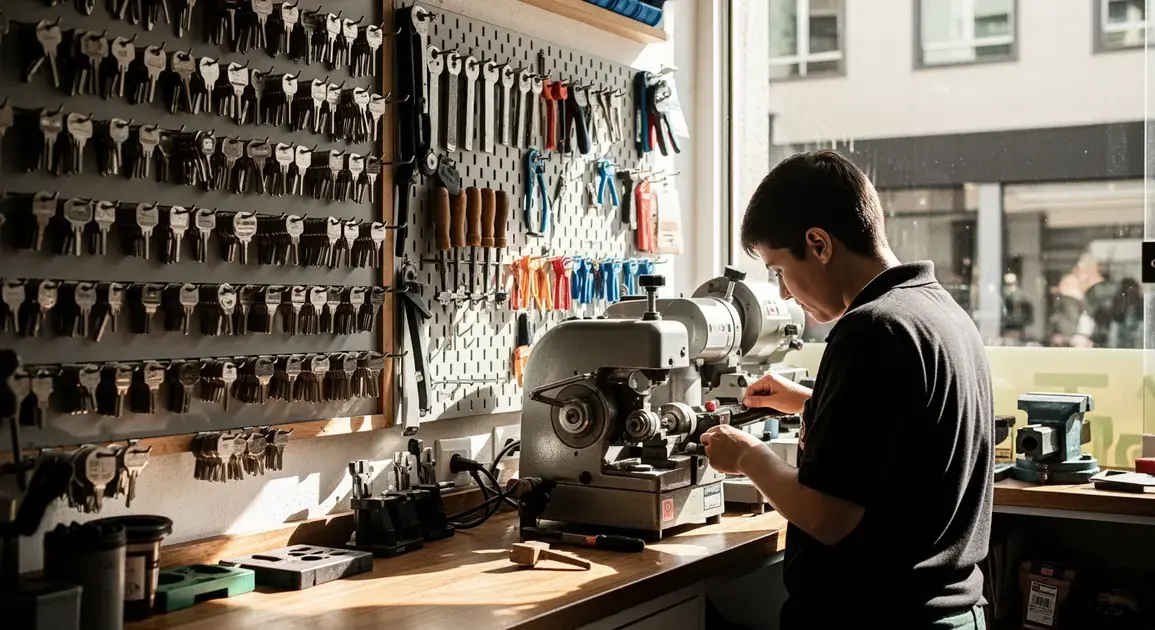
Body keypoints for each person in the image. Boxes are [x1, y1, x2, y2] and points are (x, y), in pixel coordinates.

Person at [700, 151, 993, 628]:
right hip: (949, 611)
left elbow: (828, 518)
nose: (783, 294)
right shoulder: (938, 312)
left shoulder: (870, 329)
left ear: (818, 244)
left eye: (777, 270)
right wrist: (816, 405)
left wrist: (746, 456)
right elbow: (909, 437)